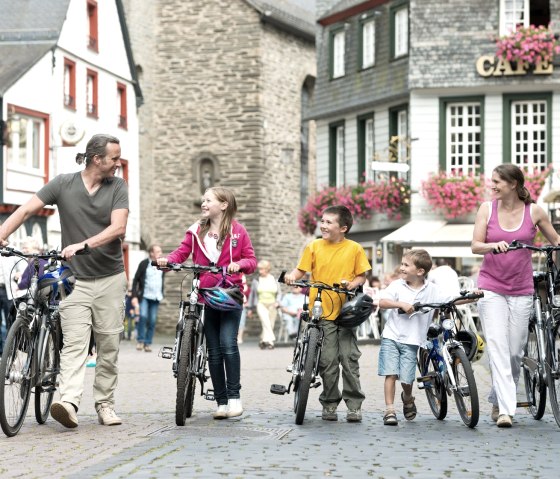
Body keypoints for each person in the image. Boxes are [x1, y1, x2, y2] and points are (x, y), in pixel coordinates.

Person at [0, 133, 128, 429]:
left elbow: (118, 227)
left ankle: (105, 404)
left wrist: (83, 245)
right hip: (74, 279)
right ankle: (68, 402)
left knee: (108, 345)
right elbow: (27, 209)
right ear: (97, 159)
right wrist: (3, 231)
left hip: (110, 277)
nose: (118, 164)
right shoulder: (63, 183)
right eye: (114, 158)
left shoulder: (118, 187)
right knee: (74, 345)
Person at [471, 163, 560, 428]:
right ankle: (506, 411)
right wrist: (491, 245)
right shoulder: (487, 209)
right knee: (497, 346)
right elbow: (475, 245)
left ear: (513, 184)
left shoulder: (534, 212)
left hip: (521, 288)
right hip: (491, 286)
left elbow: (555, 242)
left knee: (514, 351)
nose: (492, 185)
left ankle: (499, 396)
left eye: (497, 181)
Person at [156, 186, 256, 419]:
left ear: (223, 205)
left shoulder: (238, 232)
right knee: (213, 350)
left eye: (208, 200)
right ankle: (221, 402)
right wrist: (167, 261)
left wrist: (239, 265)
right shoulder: (195, 231)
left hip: (229, 294)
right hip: (205, 294)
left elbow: (251, 259)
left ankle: (234, 398)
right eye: (203, 200)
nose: (203, 203)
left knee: (227, 343)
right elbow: (181, 253)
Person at [284, 205, 371, 423]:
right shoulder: (313, 246)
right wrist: (291, 276)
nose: (323, 225)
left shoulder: (355, 249)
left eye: (328, 222)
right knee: (327, 361)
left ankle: (354, 406)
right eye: (322, 221)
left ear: (343, 228)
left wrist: (353, 284)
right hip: (321, 310)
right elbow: (300, 270)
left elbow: (362, 277)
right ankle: (330, 403)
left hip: (346, 312)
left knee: (349, 360)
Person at [378, 249, 454, 426]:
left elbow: (450, 299)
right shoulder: (397, 285)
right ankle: (389, 410)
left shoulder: (432, 290)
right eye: (402, 264)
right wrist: (401, 304)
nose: (401, 268)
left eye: (406, 265)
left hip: (412, 341)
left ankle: (408, 397)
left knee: (407, 378)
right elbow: (382, 302)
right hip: (391, 336)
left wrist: (474, 295)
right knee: (391, 373)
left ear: (420, 272)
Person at [132, 244, 165, 352]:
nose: (160, 254)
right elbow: (135, 280)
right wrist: (134, 296)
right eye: (158, 251)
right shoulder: (144, 264)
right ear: (151, 253)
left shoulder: (162, 265)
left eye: (160, 251)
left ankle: (148, 343)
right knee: (143, 316)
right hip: (145, 296)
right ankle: (140, 341)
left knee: (152, 320)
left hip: (156, 297)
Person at [248, 260, 281, 349]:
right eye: (259, 269)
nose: (260, 271)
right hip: (261, 304)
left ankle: (263, 341)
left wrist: (277, 302)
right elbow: (252, 295)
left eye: (262, 269)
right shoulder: (257, 280)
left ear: (267, 269)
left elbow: (279, 293)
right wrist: (250, 308)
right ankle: (271, 342)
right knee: (266, 322)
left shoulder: (274, 280)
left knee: (270, 324)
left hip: (272, 304)